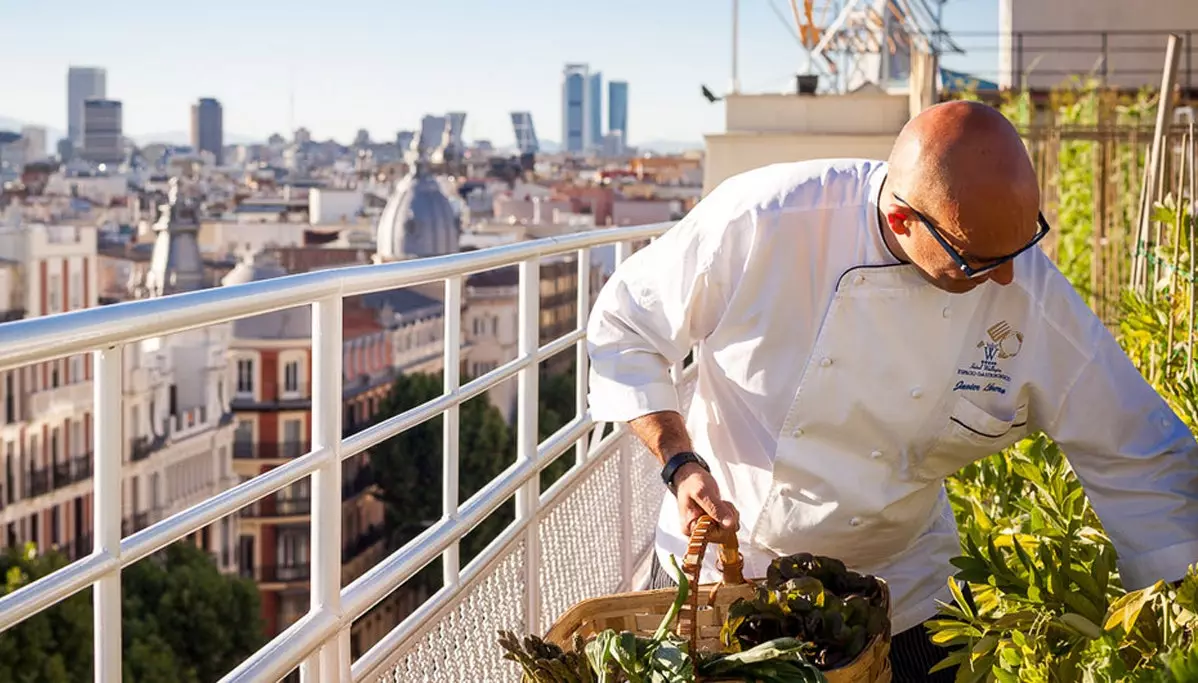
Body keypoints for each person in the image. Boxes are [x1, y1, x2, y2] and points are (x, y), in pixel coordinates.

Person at [584, 100, 1198, 681]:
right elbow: (624, 327)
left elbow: (1135, 443)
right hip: (729, 574)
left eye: (1023, 242)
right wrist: (681, 463)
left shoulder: (1020, 279)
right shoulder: (763, 220)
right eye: (978, 260)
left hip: (901, 590)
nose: (1007, 275)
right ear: (903, 220)